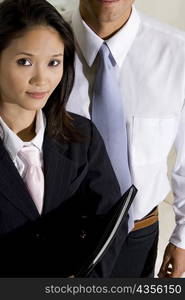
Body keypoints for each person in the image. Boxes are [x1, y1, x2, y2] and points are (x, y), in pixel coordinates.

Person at [0, 0, 130, 278]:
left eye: (53, 63)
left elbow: (109, 223)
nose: (42, 79)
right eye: (25, 62)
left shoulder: (82, 137)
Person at [63, 0, 185, 277]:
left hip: (137, 237)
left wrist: (182, 238)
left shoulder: (178, 53)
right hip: (57, 238)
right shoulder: (37, 43)